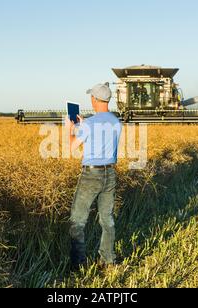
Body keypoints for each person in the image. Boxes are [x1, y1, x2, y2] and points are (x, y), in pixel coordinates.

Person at [65, 83, 122, 270]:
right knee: (107, 218)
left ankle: (78, 264)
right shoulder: (116, 122)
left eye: (91, 97)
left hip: (91, 175)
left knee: (77, 220)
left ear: (95, 99)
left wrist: (70, 128)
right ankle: (108, 261)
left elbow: (70, 148)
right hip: (110, 174)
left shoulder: (89, 124)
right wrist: (82, 126)